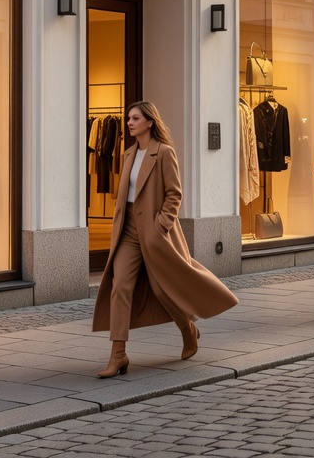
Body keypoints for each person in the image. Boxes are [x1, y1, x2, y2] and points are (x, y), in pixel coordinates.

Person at [92, 102, 238, 378]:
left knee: (162, 289)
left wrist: (161, 224)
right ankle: (118, 354)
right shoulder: (128, 154)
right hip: (128, 231)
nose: (130, 122)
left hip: (154, 231)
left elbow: (175, 194)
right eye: (129, 118)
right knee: (120, 287)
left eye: (136, 118)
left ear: (149, 122)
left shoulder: (164, 153)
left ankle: (188, 328)